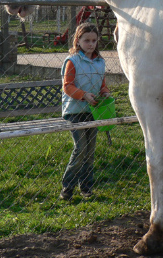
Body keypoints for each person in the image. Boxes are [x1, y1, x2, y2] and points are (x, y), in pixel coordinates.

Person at [59, 22, 111, 200]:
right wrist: (83, 95)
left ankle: (86, 187)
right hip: (75, 111)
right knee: (80, 149)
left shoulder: (100, 62)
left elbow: (102, 84)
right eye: (86, 40)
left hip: (93, 110)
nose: (91, 44)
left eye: (94, 40)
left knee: (90, 152)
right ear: (78, 41)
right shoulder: (72, 61)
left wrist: (105, 92)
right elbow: (67, 86)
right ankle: (67, 187)